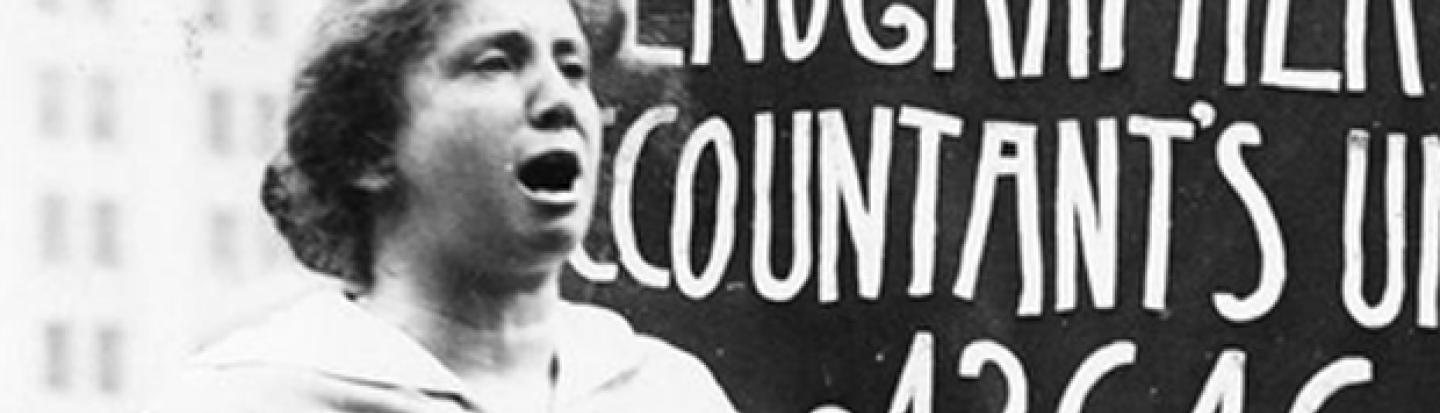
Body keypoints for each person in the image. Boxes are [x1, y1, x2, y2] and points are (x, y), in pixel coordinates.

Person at [145, 0, 736, 411]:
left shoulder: (670, 393)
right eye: (497, 63)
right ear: (368, 149)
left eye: (573, 67)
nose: (560, 100)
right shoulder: (248, 398)